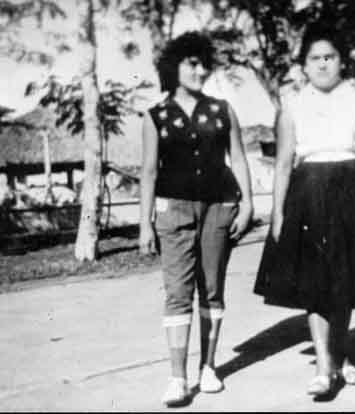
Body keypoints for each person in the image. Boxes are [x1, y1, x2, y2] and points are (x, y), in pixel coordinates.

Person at [254, 22, 355, 398]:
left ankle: (339, 358)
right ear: (304, 66)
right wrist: (277, 212)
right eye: (315, 58)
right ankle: (323, 367)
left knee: (344, 280)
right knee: (315, 282)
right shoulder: (292, 104)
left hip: (353, 191)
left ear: (342, 61)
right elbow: (283, 163)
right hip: (308, 194)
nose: (323, 64)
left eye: (330, 57)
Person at [139, 32, 254, 407]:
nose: (199, 71)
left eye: (204, 64)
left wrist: (247, 204)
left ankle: (208, 367)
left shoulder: (222, 110)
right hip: (172, 210)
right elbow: (148, 173)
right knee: (177, 293)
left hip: (219, 207)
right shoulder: (155, 116)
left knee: (212, 289)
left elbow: (238, 158)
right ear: (173, 66)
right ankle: (178, 378)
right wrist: (144, 224)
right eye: (191, 63)